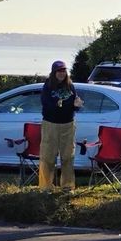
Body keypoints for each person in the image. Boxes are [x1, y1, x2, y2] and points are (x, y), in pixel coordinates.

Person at [39, 60, 84, 191]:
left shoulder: (70, 86)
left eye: (64, 70)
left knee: (68, 157)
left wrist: (77, 105)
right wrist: (66, 105)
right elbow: (48, 105)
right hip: (51, 124)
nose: (62, 73)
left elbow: (75, 103)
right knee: (48, 156)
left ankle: (67, 186)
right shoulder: (47, 86)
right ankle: (46, 187)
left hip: (68, 124)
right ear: (54, 72)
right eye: (59, 70)